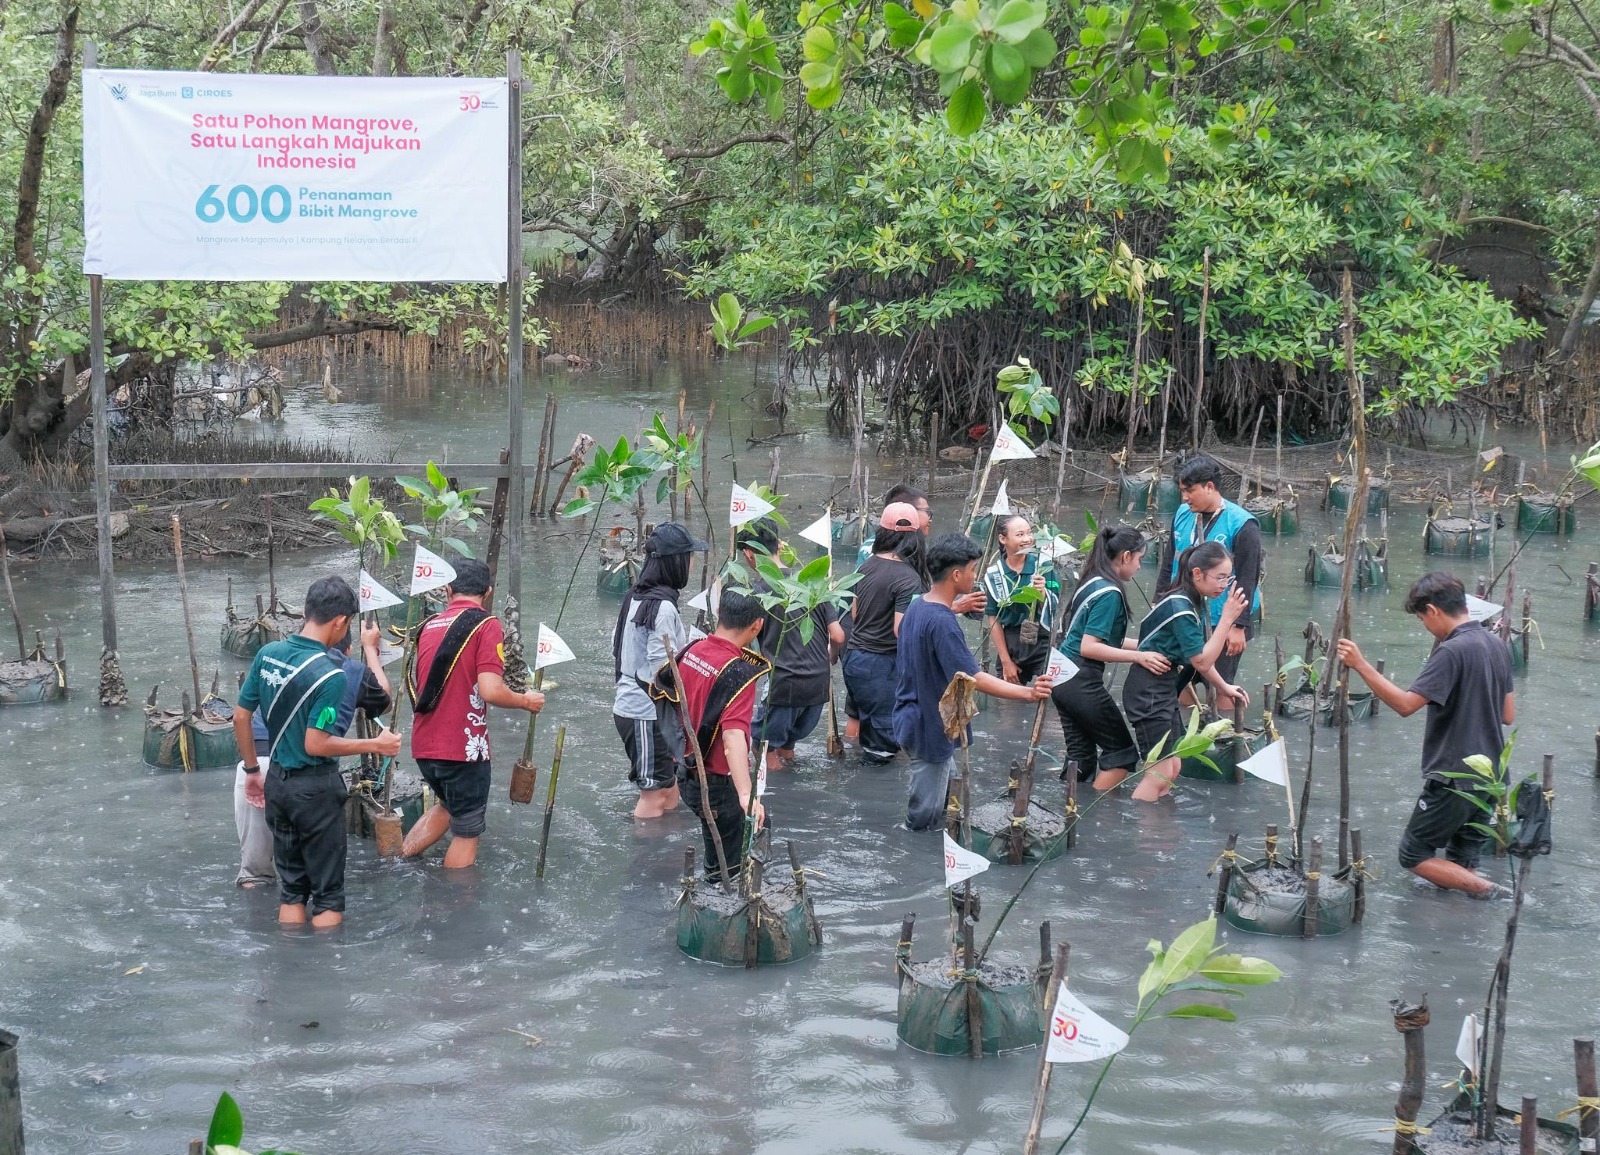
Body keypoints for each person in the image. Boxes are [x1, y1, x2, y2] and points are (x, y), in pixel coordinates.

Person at [232, 576, 402, 928]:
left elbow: (240, 717)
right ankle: (325, 962)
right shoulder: (331, 674)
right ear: (340, 621)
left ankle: (290, 956)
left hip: (276, 783)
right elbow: (316, 743)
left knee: (292, 891)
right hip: (314, 790)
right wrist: (375, 744)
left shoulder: (267, 654)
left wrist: (252, 772)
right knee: (327, 897)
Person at [1336, 572, 1515, 898]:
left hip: (1455, 775)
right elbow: (1508, 715)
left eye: (1422, 619)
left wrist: (1361, 664)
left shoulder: (1451, 651)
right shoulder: (1498, 645)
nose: (1425, 627)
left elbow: (1406, 705)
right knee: (1463, 862)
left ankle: (1496, 893)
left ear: (1432, 610)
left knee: (1413, 853)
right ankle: (1471, 912)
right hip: (1492, 775)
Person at [893, 534, 1053, 831]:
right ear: (956, 575)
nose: (974, 576)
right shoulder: (942, 622)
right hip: (929, 726)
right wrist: (1028, 693)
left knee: (947, 796)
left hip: (912, 716)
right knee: (923, 817)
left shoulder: (918, 606)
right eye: (972, 570)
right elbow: (975, 678)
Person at [400, 559, 544, 868]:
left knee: (447, 805)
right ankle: (453, 894)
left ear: (447, 590)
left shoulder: (428, 625)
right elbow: (490, 690)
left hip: (424, 746)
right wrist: (524, 701)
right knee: (467, 831)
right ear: (488, 592)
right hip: (463, 750)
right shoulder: (486, 624)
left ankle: (400, 862)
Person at [1121, 542, 1250, 803]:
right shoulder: (1180, 607)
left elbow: (1197, 656)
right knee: (1159, 774)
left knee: (1174, 766)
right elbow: (1202, 661)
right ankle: (1138, 824)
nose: (1224, 585)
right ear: (1198, 574)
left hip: (1163, 690)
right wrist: (1227, 620)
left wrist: (1224, 687)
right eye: (1220, 577)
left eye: (1228, 578)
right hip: (1148, 694)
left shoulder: (1192, 601)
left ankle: (1160, 821)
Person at [654, 587, 770, 876]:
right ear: (757, 625)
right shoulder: (738, 673)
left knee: (720, 844)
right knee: (728, 869)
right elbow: (732, 737)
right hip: (717, 782)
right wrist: (746, 795)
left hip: (687, 773)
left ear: (719, 613)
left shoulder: (692, 650)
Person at [1052, 524, 1172, 792]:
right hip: (1080, 680)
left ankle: (1070, 807)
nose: (1139, 567)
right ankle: (1097, 809)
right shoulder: (1110, 593)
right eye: (1139, 559)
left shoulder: (1092, 581)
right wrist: (1140, 657)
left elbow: (1100, 639)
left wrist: (1145, 647)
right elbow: (1090, 647)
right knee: (1122, 753)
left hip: (1061, 677)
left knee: (1080, 756)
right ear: (1126, 556)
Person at [613, 523, 707, 817]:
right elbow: (661, 671)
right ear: (676, 562)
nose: (692, 563)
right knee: (654, 794)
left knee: (669, 788)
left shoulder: (637, 595)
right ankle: (645, 843)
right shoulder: (662, 607)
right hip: (645, 712)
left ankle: (665, 841)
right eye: (690, 556)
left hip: (643, 710)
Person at [739, 518, 846, 771]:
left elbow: (743, 641)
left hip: (785, 683)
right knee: (787, 746)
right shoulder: (812, 582)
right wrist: (828, 659)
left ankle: (780, 792)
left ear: (749, 553)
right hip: (818, 684)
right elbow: (838, 636)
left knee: (763, 748)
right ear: (779, 544)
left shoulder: (758, 592)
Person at [1154, 453, 1262, 687]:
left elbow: (1248, 577)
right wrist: (1159, 602)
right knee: (1178, 681)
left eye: (1189, 490)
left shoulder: (1243, 525)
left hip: (1222, 620)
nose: (1184, 498)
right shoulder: (1183, 514)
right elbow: (1169, 561)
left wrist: (1238, 625)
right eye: (1182, 491)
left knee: (1221, 685)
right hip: (1183, 613)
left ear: (1209, 487)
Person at [841, 503, 929, 763]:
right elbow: (902, 630)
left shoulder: (865, 566)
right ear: (914, 538)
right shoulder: (909, 578)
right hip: (881, 667)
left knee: (866, 733)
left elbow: (855, 614)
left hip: (854, 659)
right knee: (882, 749)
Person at [982, 514, 1060, 684]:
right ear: (1003, 539)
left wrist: (1042, 594)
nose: (1027, 539)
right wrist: (1005, 661)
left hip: (1043, 639)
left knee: (1053, 691)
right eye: (1020, 535)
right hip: (1011, 643)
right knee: (1008, 695)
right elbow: (994, 619)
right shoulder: (994, 575)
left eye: (1029, 533)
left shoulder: (1043, 567)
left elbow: (1056, 609)